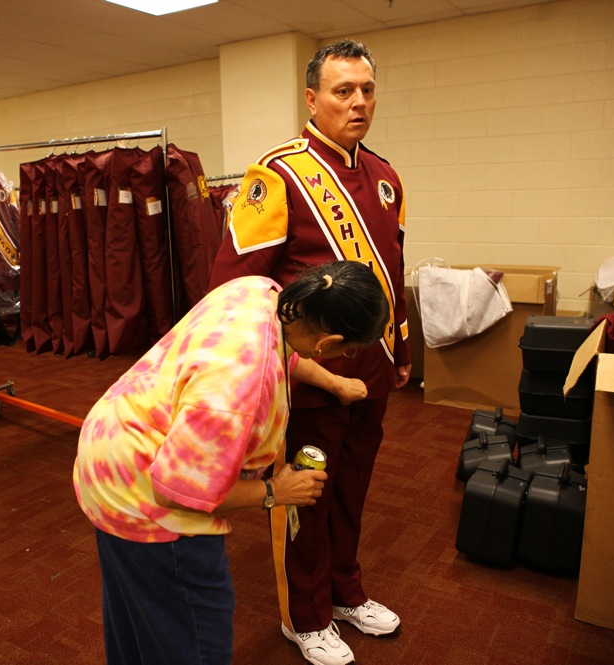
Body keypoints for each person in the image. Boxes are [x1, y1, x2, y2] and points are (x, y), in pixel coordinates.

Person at [73, 260, 390, 665]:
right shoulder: (241, 387)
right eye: (347, 351)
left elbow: (287, 348)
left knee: (138, 616)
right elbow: (180, 490)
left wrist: (334, 382)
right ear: (328, 343)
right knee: (196, 638)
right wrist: (276, 491)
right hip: (145, 497)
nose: (344, 357)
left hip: (113, 445)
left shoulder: (262, 293)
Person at [208, 38, 412, 665]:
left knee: (353, 486)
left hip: (369, 370)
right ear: (311, 98)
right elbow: (233, 289)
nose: (358, 103)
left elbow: (391, 271)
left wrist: (399, 347)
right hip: (309, 377)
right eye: (342, 91)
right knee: (307, 491)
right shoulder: (277, 175)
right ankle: (308, 613)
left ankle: (346, 590)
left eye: (367, 90)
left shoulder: (385, 177)